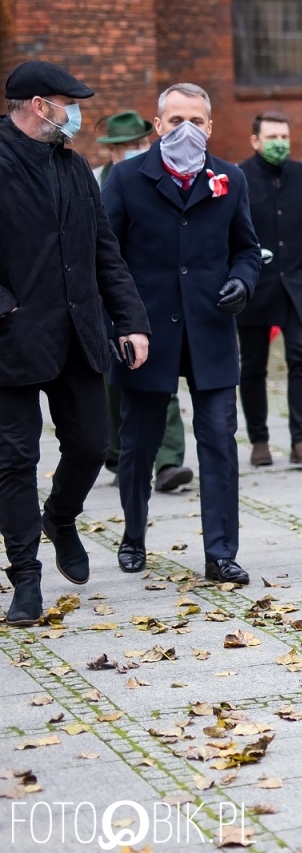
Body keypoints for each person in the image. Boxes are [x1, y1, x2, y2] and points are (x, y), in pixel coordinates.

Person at [0, 62, 151, 625]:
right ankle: (26, 576)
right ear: (41, 105)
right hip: (11, 339)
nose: (77, 113)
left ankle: (60, 517)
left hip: (77, 335)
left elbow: (105, 253)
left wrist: (130, 320)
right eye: (70, 102)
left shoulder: (73, 168)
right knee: (14, 460)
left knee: (91, 445)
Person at [103, 83, 261, 584]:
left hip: (211, 332)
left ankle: (221, 552)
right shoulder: (127, 179)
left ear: (210, 127)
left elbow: (246, 248)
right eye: (176, 121)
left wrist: (242, 280)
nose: (186, 130)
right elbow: (107, 257)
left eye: (196, 121)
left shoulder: (230, 178)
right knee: (140, 445)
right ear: (158, 125)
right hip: (148, 336)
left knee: (219, 441)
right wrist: (124, 324)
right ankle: (133, 536)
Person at [94, 110, 191, 492]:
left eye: (136, 144)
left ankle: (168, 462)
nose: (130, 152)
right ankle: (119, 455)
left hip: (153, 293)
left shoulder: (161, 177)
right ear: (110, 151)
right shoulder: (95, 182)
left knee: (160, 377)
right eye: (121, 148)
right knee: (113, 380)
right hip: (107, 292)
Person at [236, 112, 302, 468]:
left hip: (299, 288)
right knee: (253, 367)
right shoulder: (239, 177)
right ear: (255, 140)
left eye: (284, 136)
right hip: (257, 288)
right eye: (271, 136)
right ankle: (259, 440)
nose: (279, 143)